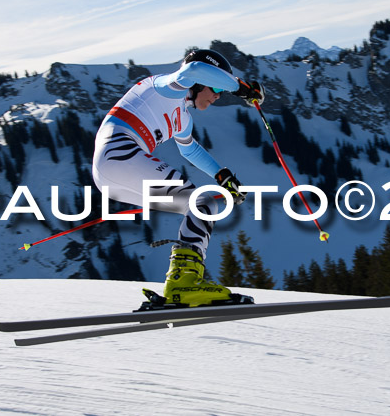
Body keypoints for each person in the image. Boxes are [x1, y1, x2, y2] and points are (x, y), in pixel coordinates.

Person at [92, 49, 264, 307]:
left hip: (111, 172)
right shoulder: (164, 86)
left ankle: (182, 284)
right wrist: (240, 87)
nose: (217, 96)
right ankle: (183, 283)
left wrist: (222, 175)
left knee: (202, 205)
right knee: (202, 204)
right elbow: (194, 69)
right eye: (216, 88)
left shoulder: (182, 117)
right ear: (200, 83)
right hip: (120, 154)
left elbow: (189, 149)